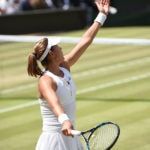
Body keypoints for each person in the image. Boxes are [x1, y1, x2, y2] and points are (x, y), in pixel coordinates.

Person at [27, 0, 110, 149]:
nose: (61, 47)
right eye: (57, 46)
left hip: (71, 137)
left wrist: (102, 15)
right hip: (54, 141)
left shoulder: (64, 67)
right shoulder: (45, 81)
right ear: (51, 54)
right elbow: (55, 104)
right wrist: (64, 119)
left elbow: (86, 40)